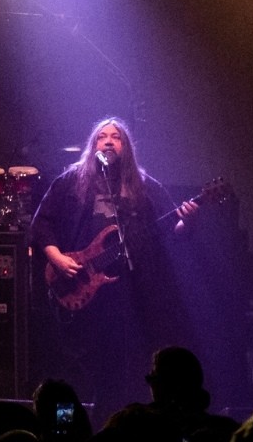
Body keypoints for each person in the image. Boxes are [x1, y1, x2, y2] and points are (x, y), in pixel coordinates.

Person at [30, 118, 198, 409]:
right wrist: (57, 258)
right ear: (93, 145)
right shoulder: (72, 181)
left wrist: (188, 221)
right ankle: (74, 424)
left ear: (126, 147)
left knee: (128, 367)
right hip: (80, 285)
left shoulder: (144, 186)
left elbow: (172, 231)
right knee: (82, 371)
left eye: (116, 137)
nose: (108, 141)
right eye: (102, 137)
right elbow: (41, 223)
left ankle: (123, 420)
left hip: (129, 292)